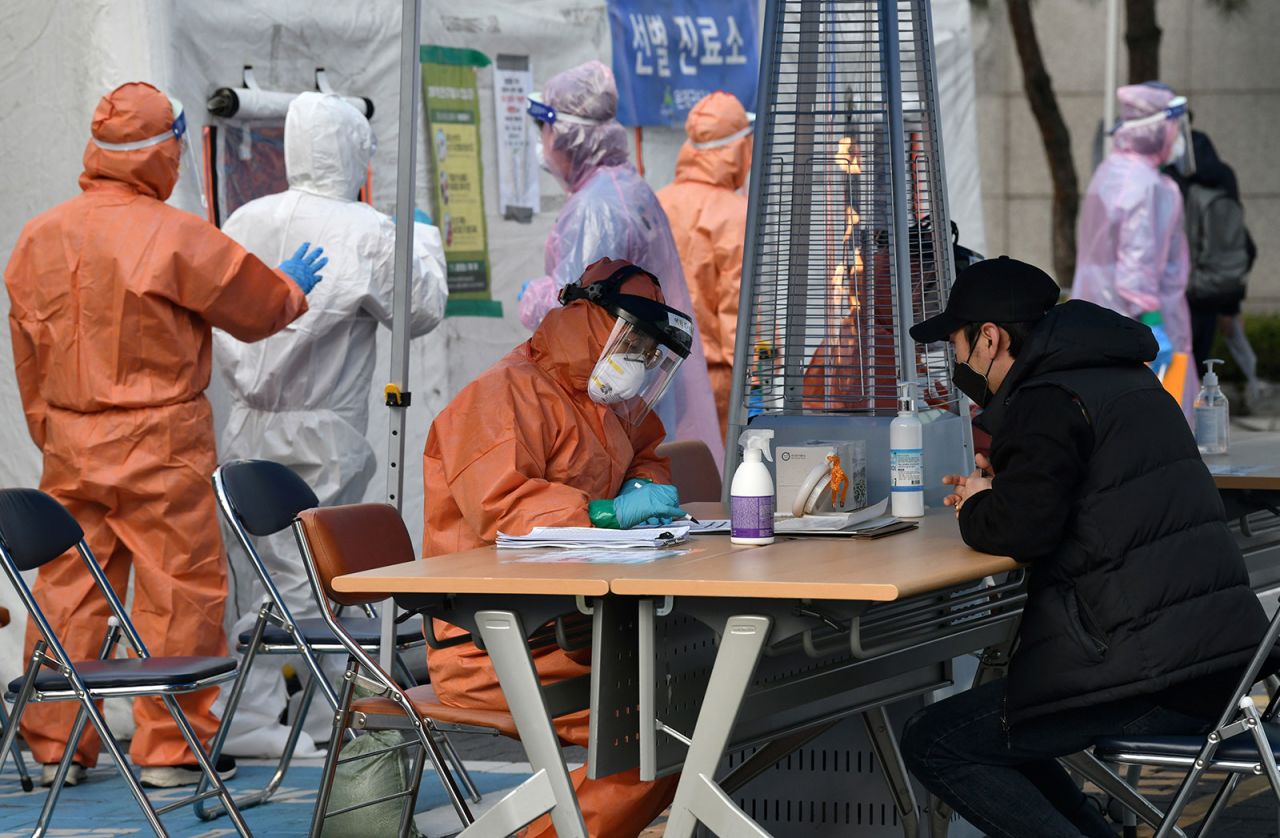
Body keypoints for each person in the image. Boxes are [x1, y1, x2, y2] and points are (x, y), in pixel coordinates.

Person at [4, 82, 320, 788]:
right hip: (161, 441)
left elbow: (28, 358)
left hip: (71, 441)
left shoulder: (38, 237)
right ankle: (170, 753)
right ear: (161, 150)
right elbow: (256, 306)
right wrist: (291, 286)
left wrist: (54, 434)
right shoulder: (173, 233)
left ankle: (55, 745)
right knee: (180, 591)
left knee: (68, 589)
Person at [899, 256, 1270, 837]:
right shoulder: (1120, 376)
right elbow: (1082, 493)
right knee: (1012, 731)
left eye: (957, 346)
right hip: (1216, 653)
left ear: (990, 338)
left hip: (1148, 669)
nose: (958, 363)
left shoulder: (1045, 398)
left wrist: (977, 502)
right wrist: (1009, 485)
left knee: (937, 741)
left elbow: (1022, 530)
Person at [213, 92, 448, 757]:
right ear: (352, 151)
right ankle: (317, 717)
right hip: (323, 429)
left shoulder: (243, 219)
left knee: (258, 579)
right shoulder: (365, 228)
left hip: (246, 426)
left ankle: (266, 715)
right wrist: (421, 239)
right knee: (321, 581)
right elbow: (420, 310)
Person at [424, 258, 690, 837]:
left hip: (575, 626)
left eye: (649, 344)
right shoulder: (498, 396)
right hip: (494, 643)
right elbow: (504, 510)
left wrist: (646, 485)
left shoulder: (606, 399)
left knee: (692, 701)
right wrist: (601, 514)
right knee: (662, 730)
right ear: (587, 315)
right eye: (636, 336)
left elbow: (647, 450)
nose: (642, 355)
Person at [517, 60, 723, 465]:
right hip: (644, 388)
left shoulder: (598, 207)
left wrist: (540, 296)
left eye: (545, 128)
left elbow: (581, 318)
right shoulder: (626, 189)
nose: (542, 141)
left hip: (619, 398)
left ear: (567, 134)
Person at [1073, 82, 1196, 412]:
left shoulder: (1111, 171)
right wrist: (1155, 324)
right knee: (1161, 420)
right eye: (1175, 127)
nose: (1179, 137)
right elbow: (1137, 265)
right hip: (1139, 322)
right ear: (1158, 129)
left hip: (1096, 318)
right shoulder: (1146, 185)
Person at [656, 91, 753, 438]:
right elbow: (738, 311)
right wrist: (755, 380)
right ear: (739, 148)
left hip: (659, 373)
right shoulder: (736, 214)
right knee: (718, 481)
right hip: (716, 382)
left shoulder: (658, 201)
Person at [1169, 125, 1268, 404]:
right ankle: (1193, 428)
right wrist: (1230, 306)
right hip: (1214, 292)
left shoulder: (1173, 172)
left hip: (1181, 291)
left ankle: (1178, 428)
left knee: (1174, 365)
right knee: (1198, 366)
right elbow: (1239, 245)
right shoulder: (1222, 173)